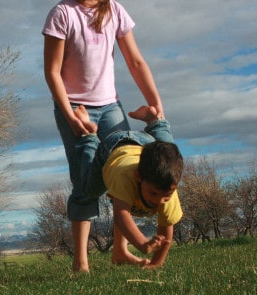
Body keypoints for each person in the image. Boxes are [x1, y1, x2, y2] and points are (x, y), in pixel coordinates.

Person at [43, 0, 165, 272]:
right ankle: (81, 262)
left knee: (125, 170)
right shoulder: (62, 13)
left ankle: (120, 251)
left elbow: (135, 61)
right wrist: (69, 115)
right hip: (75, 106)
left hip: (110, 106)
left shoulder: (115, 10)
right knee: (85, 180)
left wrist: (157, 105)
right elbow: (52, 72)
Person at [73, 104, 183, 269]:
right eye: (153, 193)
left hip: (147, 143)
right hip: (113, 148)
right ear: (138, 177)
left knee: (167, 150)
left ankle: (155, 121)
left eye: (165, 195)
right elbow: (121, 216)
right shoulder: (126, 178)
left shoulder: (167, 191)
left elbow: (166, 235)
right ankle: (89, 136)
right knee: (89, 191)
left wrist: (155, 264)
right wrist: (142, 243)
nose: (160, 201)